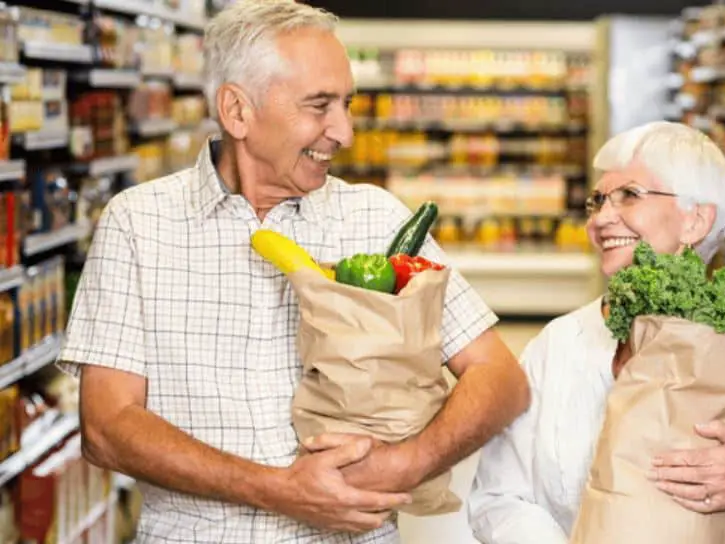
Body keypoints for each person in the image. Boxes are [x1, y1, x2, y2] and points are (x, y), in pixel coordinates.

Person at [57, 1, 530, 542]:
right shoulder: (138, 223)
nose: (345, 132)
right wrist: (280, 489)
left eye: (347, 104)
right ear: (237, 111)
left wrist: (406, 463)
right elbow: (107, 427)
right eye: (319, 106)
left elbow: (502, 380)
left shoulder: (376, 220)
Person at [467, 121, 725, 544]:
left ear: (696, 220)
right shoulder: (558, 344)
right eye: (598, 201)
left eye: (629, 195)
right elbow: (496, 496)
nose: (601, 219)